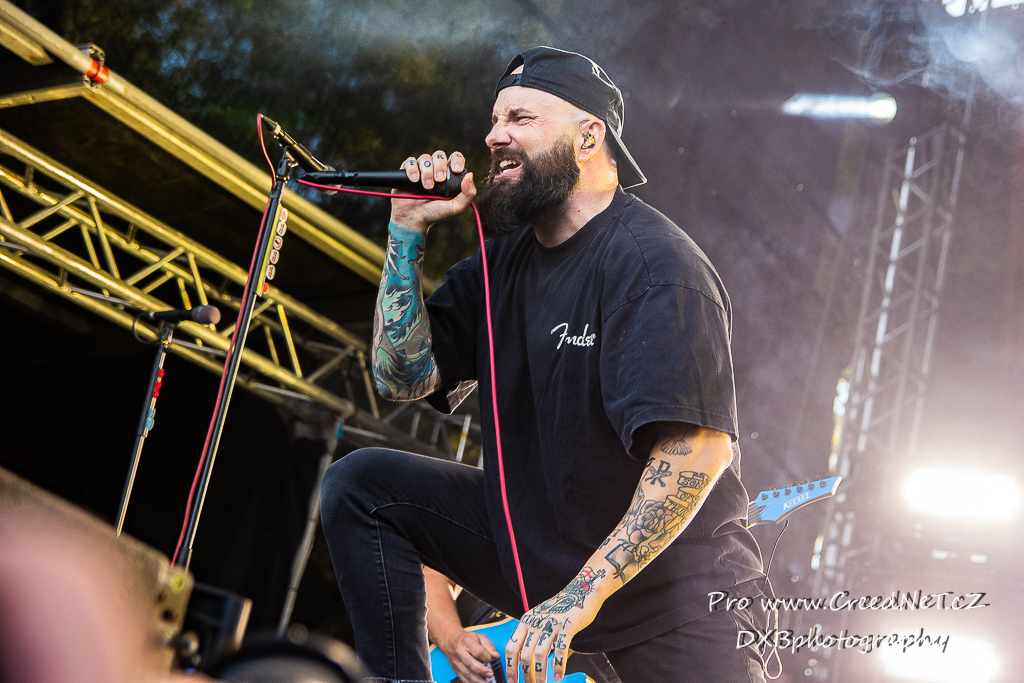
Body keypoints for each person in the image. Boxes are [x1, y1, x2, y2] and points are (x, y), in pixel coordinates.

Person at [320, 46, 767, 683]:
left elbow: (696, 451)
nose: (493, 136)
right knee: (364, 487)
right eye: (495, 119)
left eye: (521, 118)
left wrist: (576, 600)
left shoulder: (657, 267)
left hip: (675, 601)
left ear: (589, 137)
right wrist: (406, 233)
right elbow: (402, 378)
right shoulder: (502, 263)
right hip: (545, 551)